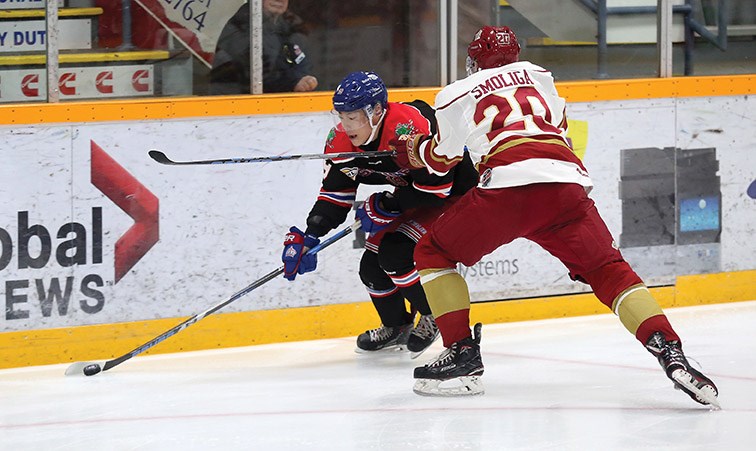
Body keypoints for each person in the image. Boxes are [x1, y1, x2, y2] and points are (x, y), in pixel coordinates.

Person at [390, 26, 720, 407]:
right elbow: (555, 129)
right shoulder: (540, 75)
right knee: (609, 270)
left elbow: (440, 161)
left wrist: (413, 151)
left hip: (507, 188)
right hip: (565, 186)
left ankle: (461, 354)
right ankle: (669, 350)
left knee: (432, 252)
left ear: (474, 61)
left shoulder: (454, 93)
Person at [282, 71, 478, 357]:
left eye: (352, 117)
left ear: (376, 111)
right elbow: (336, 194)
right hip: (413, 197)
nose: (345, 125)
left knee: (395, 253)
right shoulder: (340, 140)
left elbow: (439, 186)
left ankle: (434, 313)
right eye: (341, 116)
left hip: (455, 198)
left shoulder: (409, 128)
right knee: (371, 268)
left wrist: (389, 205)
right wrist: (311, 235)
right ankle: (397, 326)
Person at [209, 0, 318, 94]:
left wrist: (303, 79)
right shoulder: (242, 27)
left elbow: (302, 61)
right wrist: (293, 82)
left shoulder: (289, 26)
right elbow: (256, 76)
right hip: (238, 109)